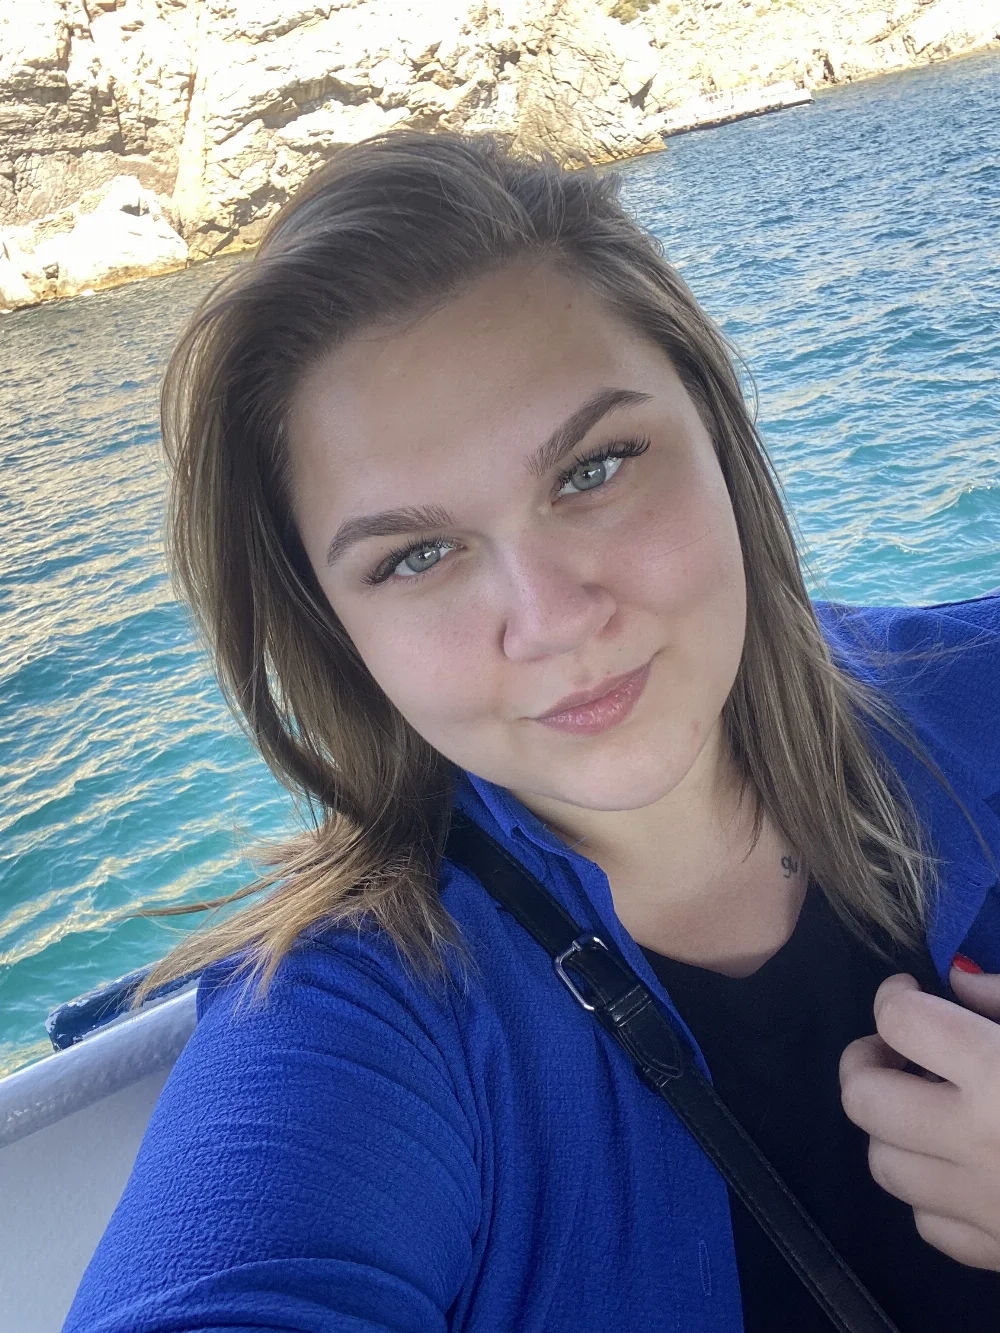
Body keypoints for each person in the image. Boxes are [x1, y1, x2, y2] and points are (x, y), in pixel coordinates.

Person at [63, 129, 1000, 1333]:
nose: (552, 619)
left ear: (718, 431)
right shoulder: (362, 1016)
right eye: (417, 556)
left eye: (594, 468)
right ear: (335, 628)